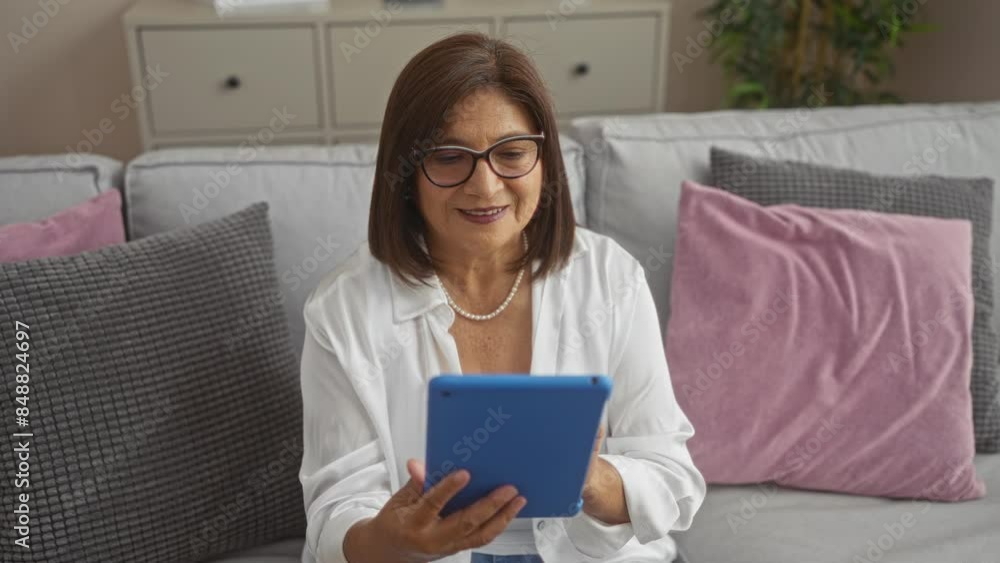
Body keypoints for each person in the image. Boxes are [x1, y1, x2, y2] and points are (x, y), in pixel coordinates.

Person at [298, 32, 705, 563]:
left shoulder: (611, 278)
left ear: (544, 159)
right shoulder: (342, 309)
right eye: (450, 157)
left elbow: (672, 476)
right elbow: (337, 510)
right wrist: (392, 540)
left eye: (511, 154)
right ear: (406, 172)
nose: (486, 187)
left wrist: (591, 479)